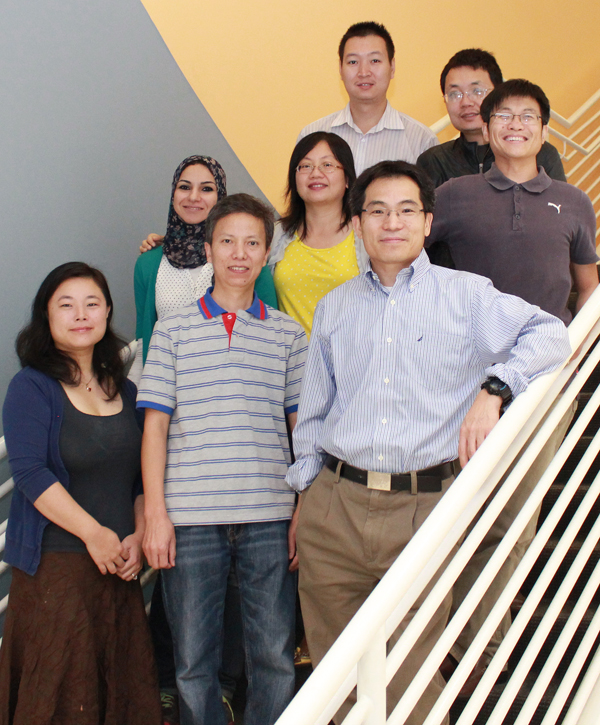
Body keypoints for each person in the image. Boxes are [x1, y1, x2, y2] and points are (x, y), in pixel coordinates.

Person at [286, 161, 571, 724]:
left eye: (406, 210)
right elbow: (315, 412)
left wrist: (494, 389)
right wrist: (307, 496)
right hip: (334, 507)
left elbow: (550, 334)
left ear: (427, 222)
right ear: (357, 223)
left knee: (411, 674)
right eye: (377, 211)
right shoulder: (335, 306)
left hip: (424, 508)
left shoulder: (466, 296)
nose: (391, 222)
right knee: (335, 676)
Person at [426, 78, 598, 690]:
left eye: (528, 115)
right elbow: (410, 260)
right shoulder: (453, 195)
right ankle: (444, 642)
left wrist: (575, 360)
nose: (515, 124)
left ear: (544, 130)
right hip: (461, 385)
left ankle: (486, 651)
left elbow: (588, 288)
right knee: (453, 515)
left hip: (542, 388)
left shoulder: (573, 201)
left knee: (517, 522)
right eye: (504, 115)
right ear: (487, 126)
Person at [138, 194, 308, 725]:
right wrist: (157, 515)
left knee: (274, 657)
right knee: (192, 663)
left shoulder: (289, 334)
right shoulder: (172, 331)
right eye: (228, 241)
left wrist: (302, 508)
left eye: (252, 243)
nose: (240, 253)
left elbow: (301, 432)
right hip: (189, 520)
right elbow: (155, 428)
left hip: (270, 517)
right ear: (208, 250)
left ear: (266, 253)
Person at [0, 262, 161, 725]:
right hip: (57, 571)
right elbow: (30, 474)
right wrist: (94, 535)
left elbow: (139, 479)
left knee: (120, 696)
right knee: (62, 700)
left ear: (107, 311)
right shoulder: (31, 387)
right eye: (66, 305)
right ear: (46, 316)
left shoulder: (127, 390)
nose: (81, 315)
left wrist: (137, 535)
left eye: (92, 303)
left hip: (119, 568)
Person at [131, 154, 277, 382]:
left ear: (220, 195)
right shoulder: (149, 263)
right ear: (173, 193)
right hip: (168, 391)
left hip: (236, 388)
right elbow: (143, 343)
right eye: (184, 187)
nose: (193, 197)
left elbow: (270, 336)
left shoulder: (246, 262)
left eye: (206, 189)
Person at [298, 22, 438, 175]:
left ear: (392, 67)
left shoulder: (422, 141)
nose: (363, 72)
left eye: (375, 60)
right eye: (353, 62)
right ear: (340, 69)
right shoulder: (311, 135)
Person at [417, 49, 566, 187]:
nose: (466, 102)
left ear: (498, 94)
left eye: (477, 91)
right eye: (455, 94)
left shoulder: (539, 154)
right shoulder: (434, 161)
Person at [269, 131, 367, 336]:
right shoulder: (276, 234)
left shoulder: (366, 235)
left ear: (347, 178)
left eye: (327, 165)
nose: (315, 173)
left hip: (350, 354)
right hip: (291, 355)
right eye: (305, 166)